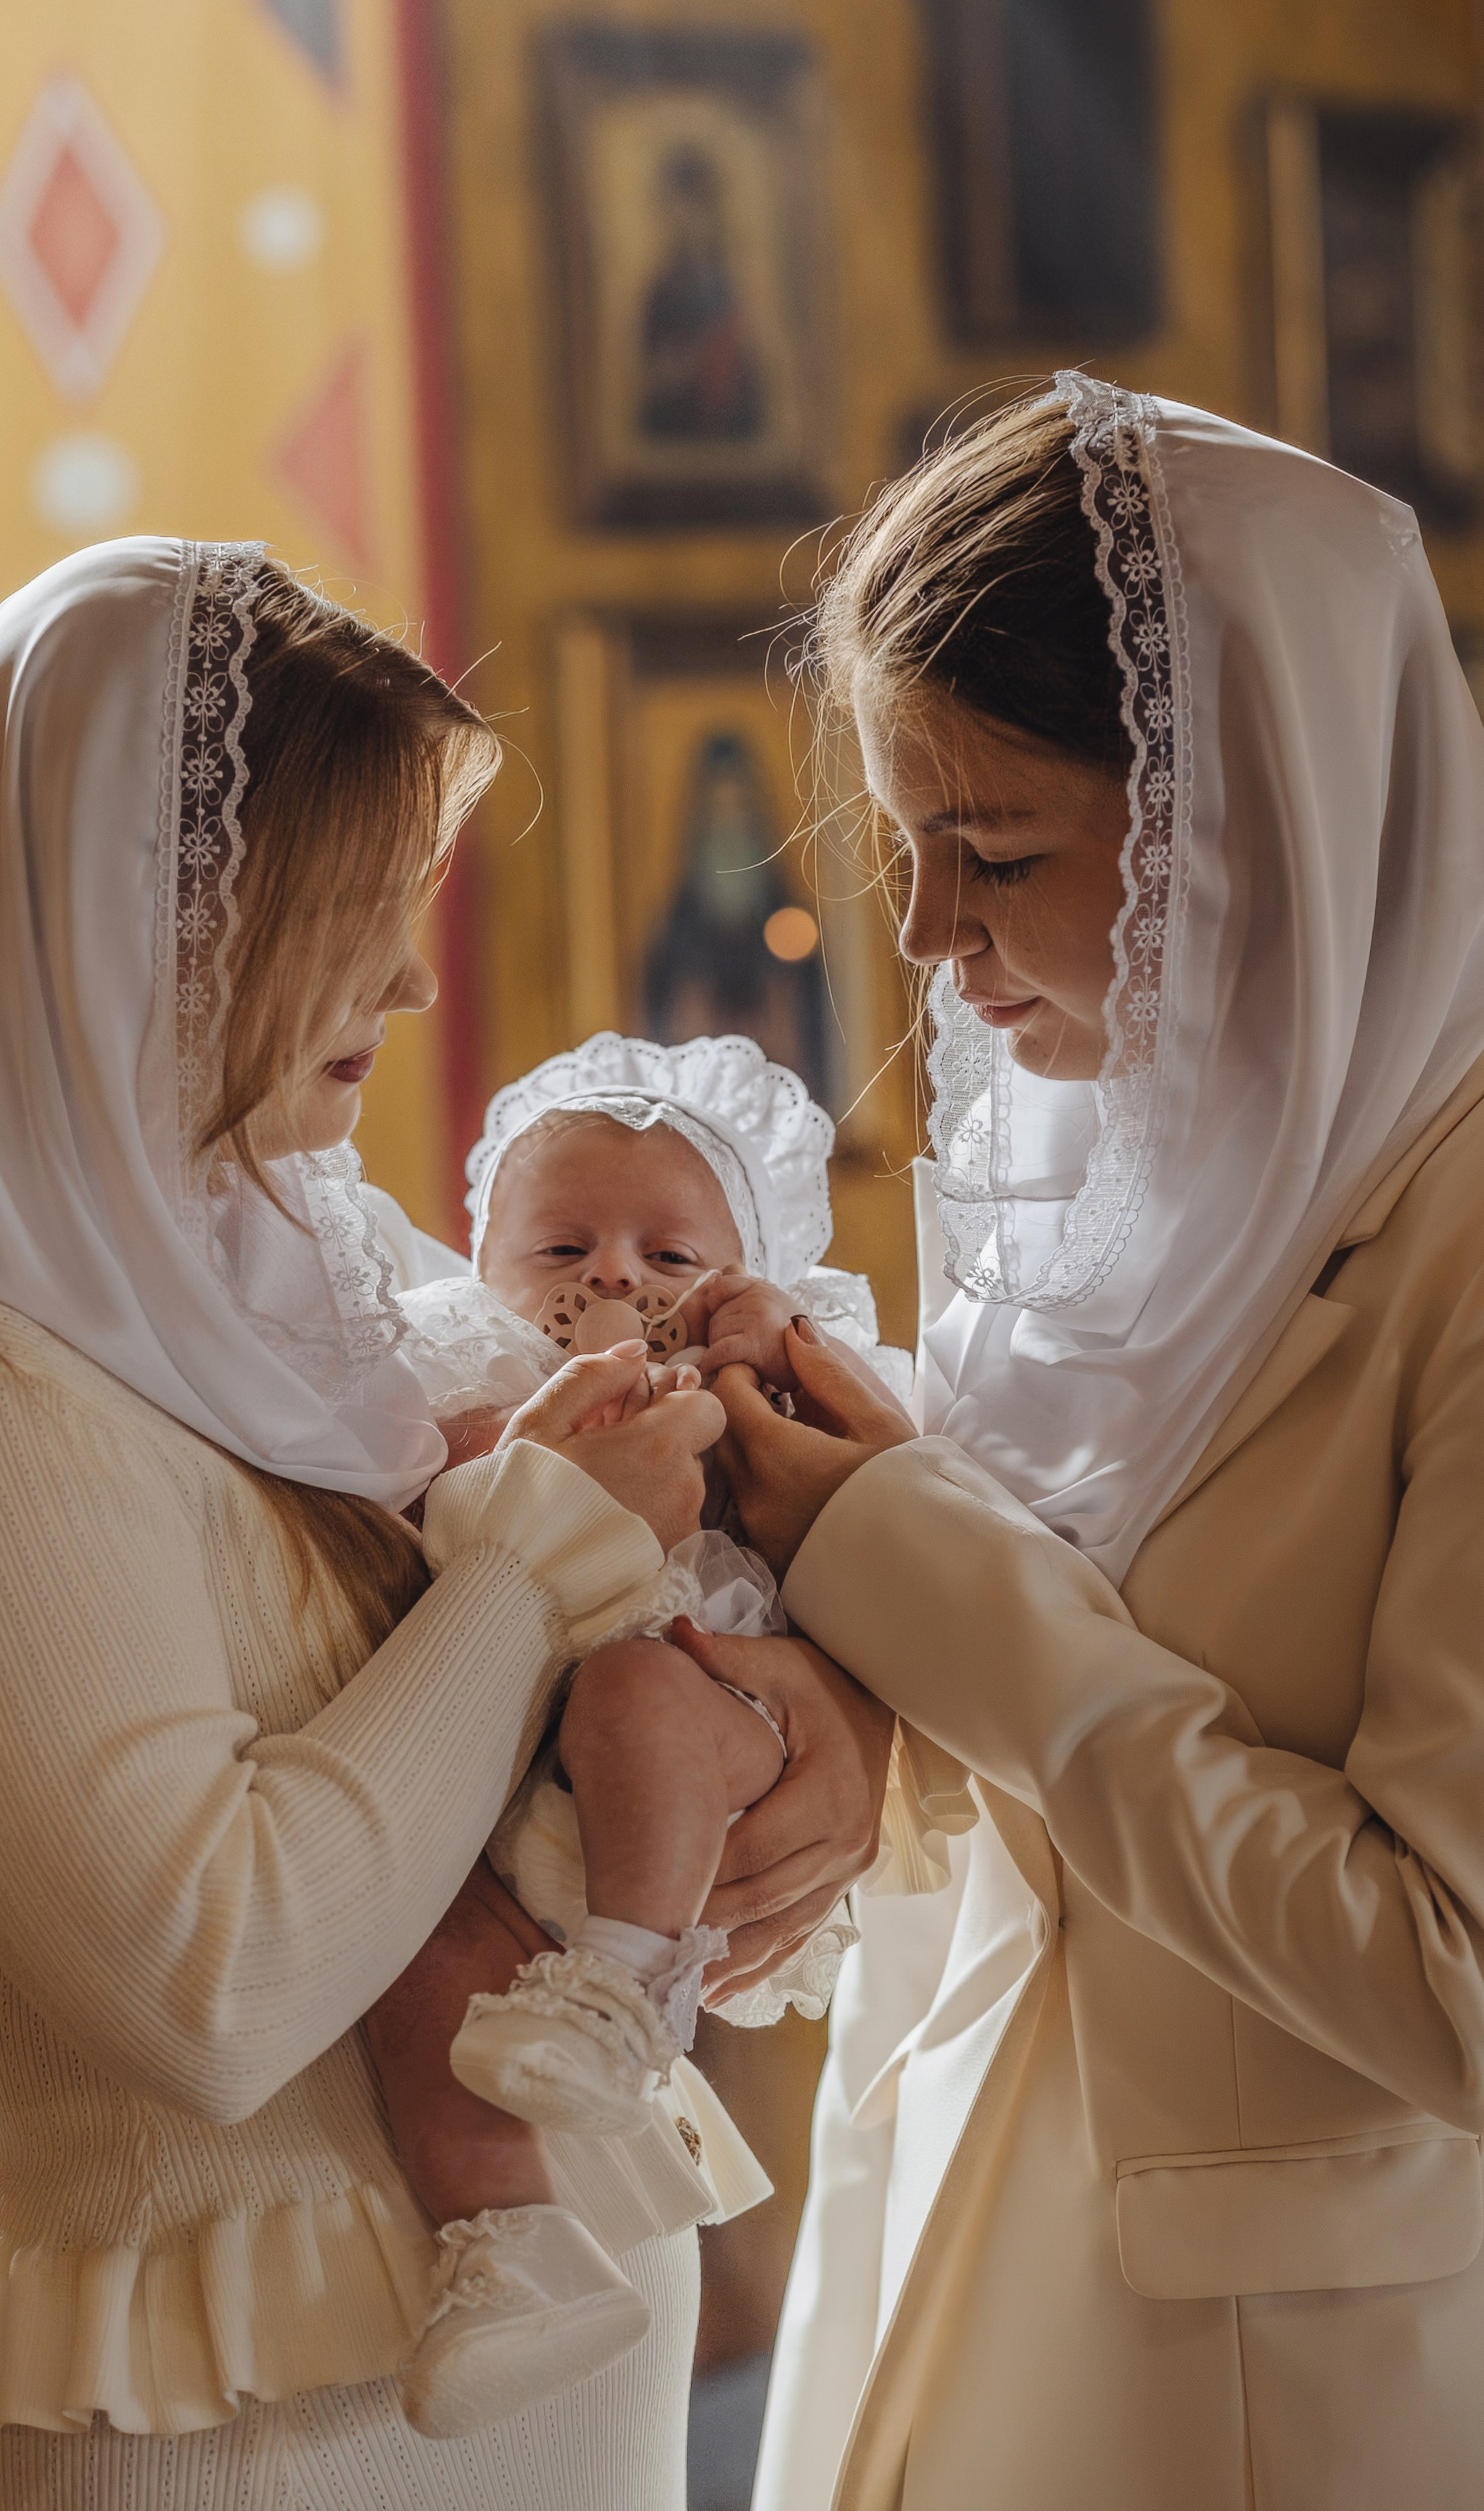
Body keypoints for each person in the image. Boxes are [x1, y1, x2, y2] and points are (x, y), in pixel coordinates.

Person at [0, 543, 888, 2511]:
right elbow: (216, 1983)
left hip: (544, 2402)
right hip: (227, 2438)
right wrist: (541, 1546)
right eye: (354, 912)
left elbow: (485, 1671)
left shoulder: (303, 1264)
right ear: (151, 923)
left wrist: (807, 1715)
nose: (408, 979)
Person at [721, 376, 1484, 2511]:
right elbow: (1058, 1728)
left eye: (996, 851)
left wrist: (925, 1587)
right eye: (901, 844)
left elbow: (1468, 1989)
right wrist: (862, 1725)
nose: (928, 938)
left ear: (1254, 817)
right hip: (958, 2248)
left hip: (1303, 2386)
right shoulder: (1106, 1175)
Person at [367, 1032, 920, 2426]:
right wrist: (507, 1443)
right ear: (481, 1270)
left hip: (700, 1731)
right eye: (561, 1247)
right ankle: (508, 2251)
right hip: (500, 1800)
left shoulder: (755, 1404)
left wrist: (753, 1405)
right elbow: (396, 1530)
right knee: (418, 1969)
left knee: (634, 1695)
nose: (613, 1276)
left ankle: (624, 1989)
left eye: (669, 1258)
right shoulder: (458, 1398)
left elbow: (886, 1545)